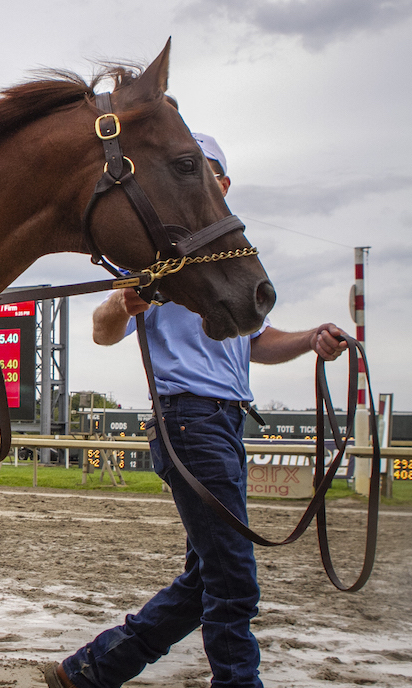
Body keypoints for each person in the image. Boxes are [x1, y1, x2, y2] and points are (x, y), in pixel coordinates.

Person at [45, 132, 348, 688]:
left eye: (207, 172)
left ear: (223, 184)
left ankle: (93, 670)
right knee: (234, 578)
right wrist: (120, 300)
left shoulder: (225, 266)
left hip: (225, 421)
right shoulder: (162, 260)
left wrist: (312, 339)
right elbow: (103, 331)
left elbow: (256, 342)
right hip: (188, 419)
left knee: (210, 575)